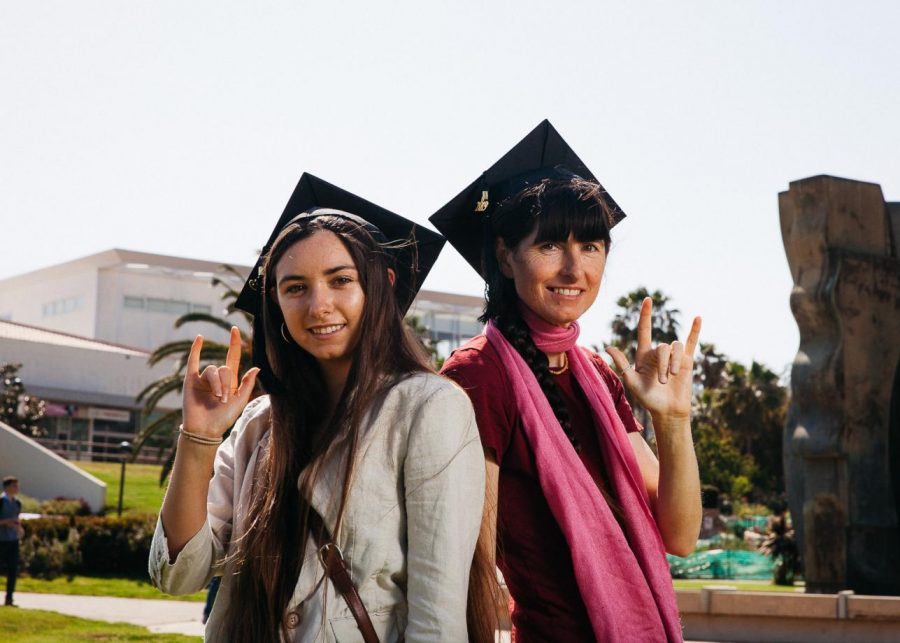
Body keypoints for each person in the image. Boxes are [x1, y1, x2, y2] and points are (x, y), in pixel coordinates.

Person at [149, 173, 490, 642]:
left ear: (383, 285)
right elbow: (177, 575)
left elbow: (438, 619)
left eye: (340, 280)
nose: (318, 305)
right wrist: (200, 436)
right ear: (277, 303)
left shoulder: (427, 408)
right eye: (295, 288)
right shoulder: (258, 425)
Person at [431, 121, 702, 642]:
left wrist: (672, 420)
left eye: (594, 246)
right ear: (507, 257)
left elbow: (682, 535)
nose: (575, 268)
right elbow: (471, 559)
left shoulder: (597, 376)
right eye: (551, 245)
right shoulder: (478, 375)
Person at [0, 476, 23, 608]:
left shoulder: (17, 503)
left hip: (12, 540)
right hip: (1, 540)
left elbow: (16, 519)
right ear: (8, 487)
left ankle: (9, 598)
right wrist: (6, 522)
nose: (17, 488)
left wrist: (19, 528)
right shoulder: (1, 501)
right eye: (15, 486)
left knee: (13, 569)